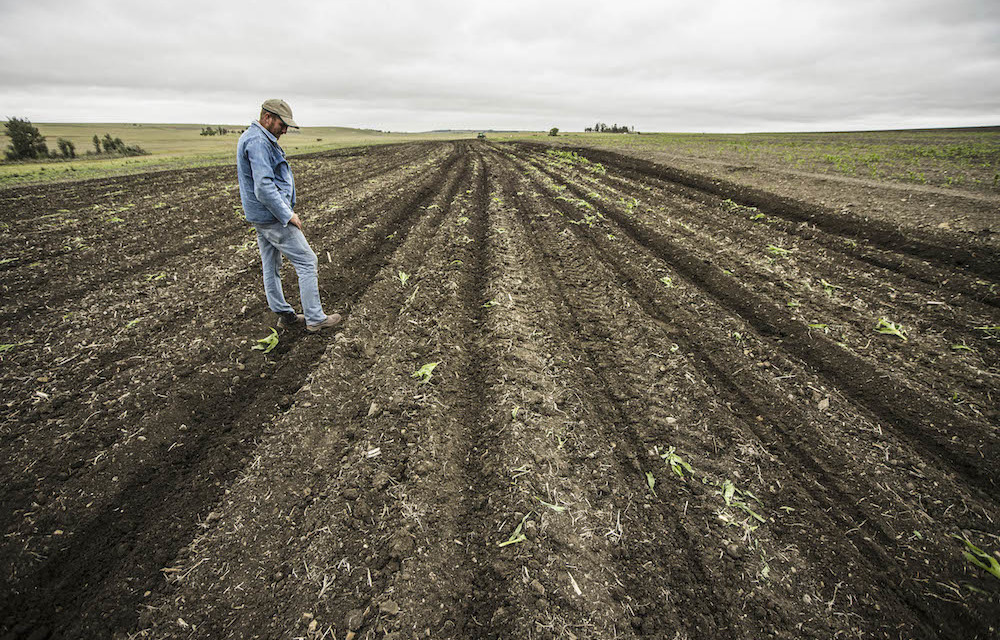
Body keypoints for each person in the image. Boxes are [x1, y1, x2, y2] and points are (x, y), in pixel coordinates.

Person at [237, 99, 341, 332]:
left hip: (261, 216)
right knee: (307, 261)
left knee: (270, 265)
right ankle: (315, 318)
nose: (284, 130)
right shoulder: (257, 141)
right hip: (272, 216)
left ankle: (285, 315)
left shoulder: (256, 137)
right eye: (282, 124)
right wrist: (287, 214)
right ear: (267, 118)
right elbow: (263, 186)